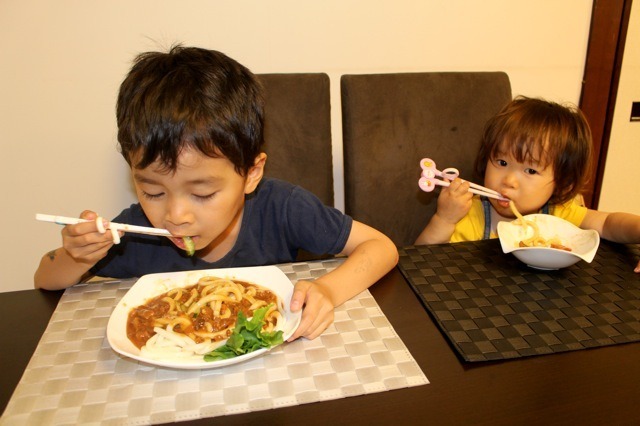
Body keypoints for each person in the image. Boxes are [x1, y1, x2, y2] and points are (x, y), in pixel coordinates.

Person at [34, 45, 399, 340]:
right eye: (152, 191)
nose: (175, 216)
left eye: (203, 193)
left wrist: (329, 290)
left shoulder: (283, 208)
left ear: (251, 174)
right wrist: (76, 255)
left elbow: (381, 248)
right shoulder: (134, 234)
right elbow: (44, 280)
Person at [415, 96, 640, 272]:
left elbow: (610, 223)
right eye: (502, 162)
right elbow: (420, 262)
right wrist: (444, 219)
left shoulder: (556, 215)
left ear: (562, 183)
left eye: (531, 170)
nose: (509, 181)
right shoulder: (469, 212)